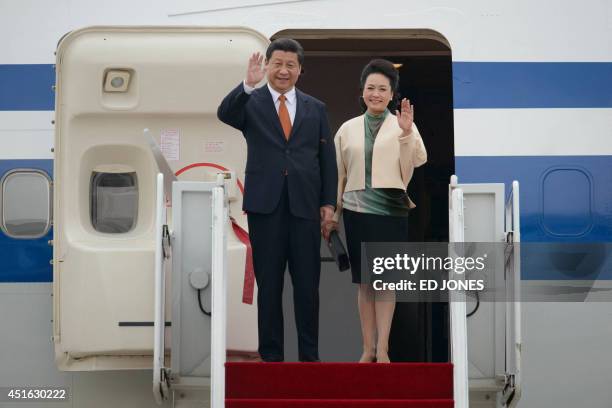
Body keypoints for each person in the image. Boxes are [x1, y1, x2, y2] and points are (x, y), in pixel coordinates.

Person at [217, 38, 337, 362]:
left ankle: (309, 357)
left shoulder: (316, 108)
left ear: (300, 69)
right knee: (269, 286)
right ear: (267, 65)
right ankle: (271, 356)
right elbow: (223, 113)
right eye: (277, 64)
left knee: (307, 287)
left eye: (290, 65)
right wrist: (247, 84)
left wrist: (328, 204)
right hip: (265, 207)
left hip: (305, 207)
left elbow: (327, 159)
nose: (284, 70)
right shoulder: (251, 103)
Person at [325, 59, 427, 363]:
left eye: (383, 89)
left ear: (392, 93)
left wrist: (407, 133)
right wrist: (334, 213)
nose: (376, 93)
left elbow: (416, 161)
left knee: (386, 280)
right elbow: (338, 175)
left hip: (391, 209)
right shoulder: (347, 129)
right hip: (356, 210)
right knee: (365, 282)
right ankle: (367, 348)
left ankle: (383, 348)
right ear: (362, 91)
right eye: (371, 88)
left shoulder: (402, 124)